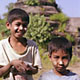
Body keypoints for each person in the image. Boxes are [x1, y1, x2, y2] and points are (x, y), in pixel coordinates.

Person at [0, 8, 42, 80]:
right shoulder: (2, 45)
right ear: (8, 25)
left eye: (24, 25)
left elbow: (36, 69)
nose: (21, 28)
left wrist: (29, 69)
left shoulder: (32, 46)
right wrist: (11, 64)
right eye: (18, 24)